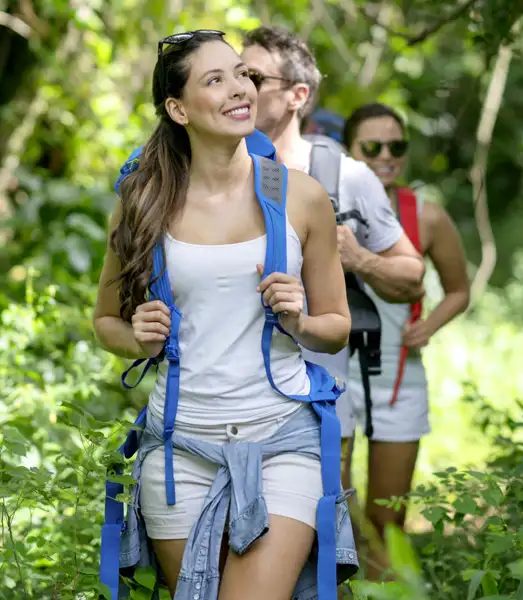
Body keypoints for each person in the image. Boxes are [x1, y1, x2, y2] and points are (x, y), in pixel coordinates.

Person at [93, 30, 357, 600]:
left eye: (242, 74)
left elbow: (337, 328)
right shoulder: (142, 200)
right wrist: (138, 338)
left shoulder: (301, 196)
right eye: (216, 79)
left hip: (282, 438)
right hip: (177, 451)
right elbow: (106, 321)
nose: (240, 88)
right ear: (178, 109)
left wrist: (300, 322)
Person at [240, 26, 426, 397]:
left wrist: (361, 260)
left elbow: (413, 279)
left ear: (298, 95)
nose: (240, 88)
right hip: (222, 399)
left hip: (319, 398)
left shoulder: (347, 176)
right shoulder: (207, 174)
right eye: (236, 75)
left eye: (255, 78)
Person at [340, 103, 470, 579]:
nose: (386, 156)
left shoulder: (426, 216)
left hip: (399, 378)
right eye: (372, 146)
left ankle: (384, 587)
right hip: (333, 375)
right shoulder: (321, 205)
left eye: (397, 146)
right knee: (332, 510)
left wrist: (429, 326)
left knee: (387, 518)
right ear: (348, 152)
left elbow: (459, 290)